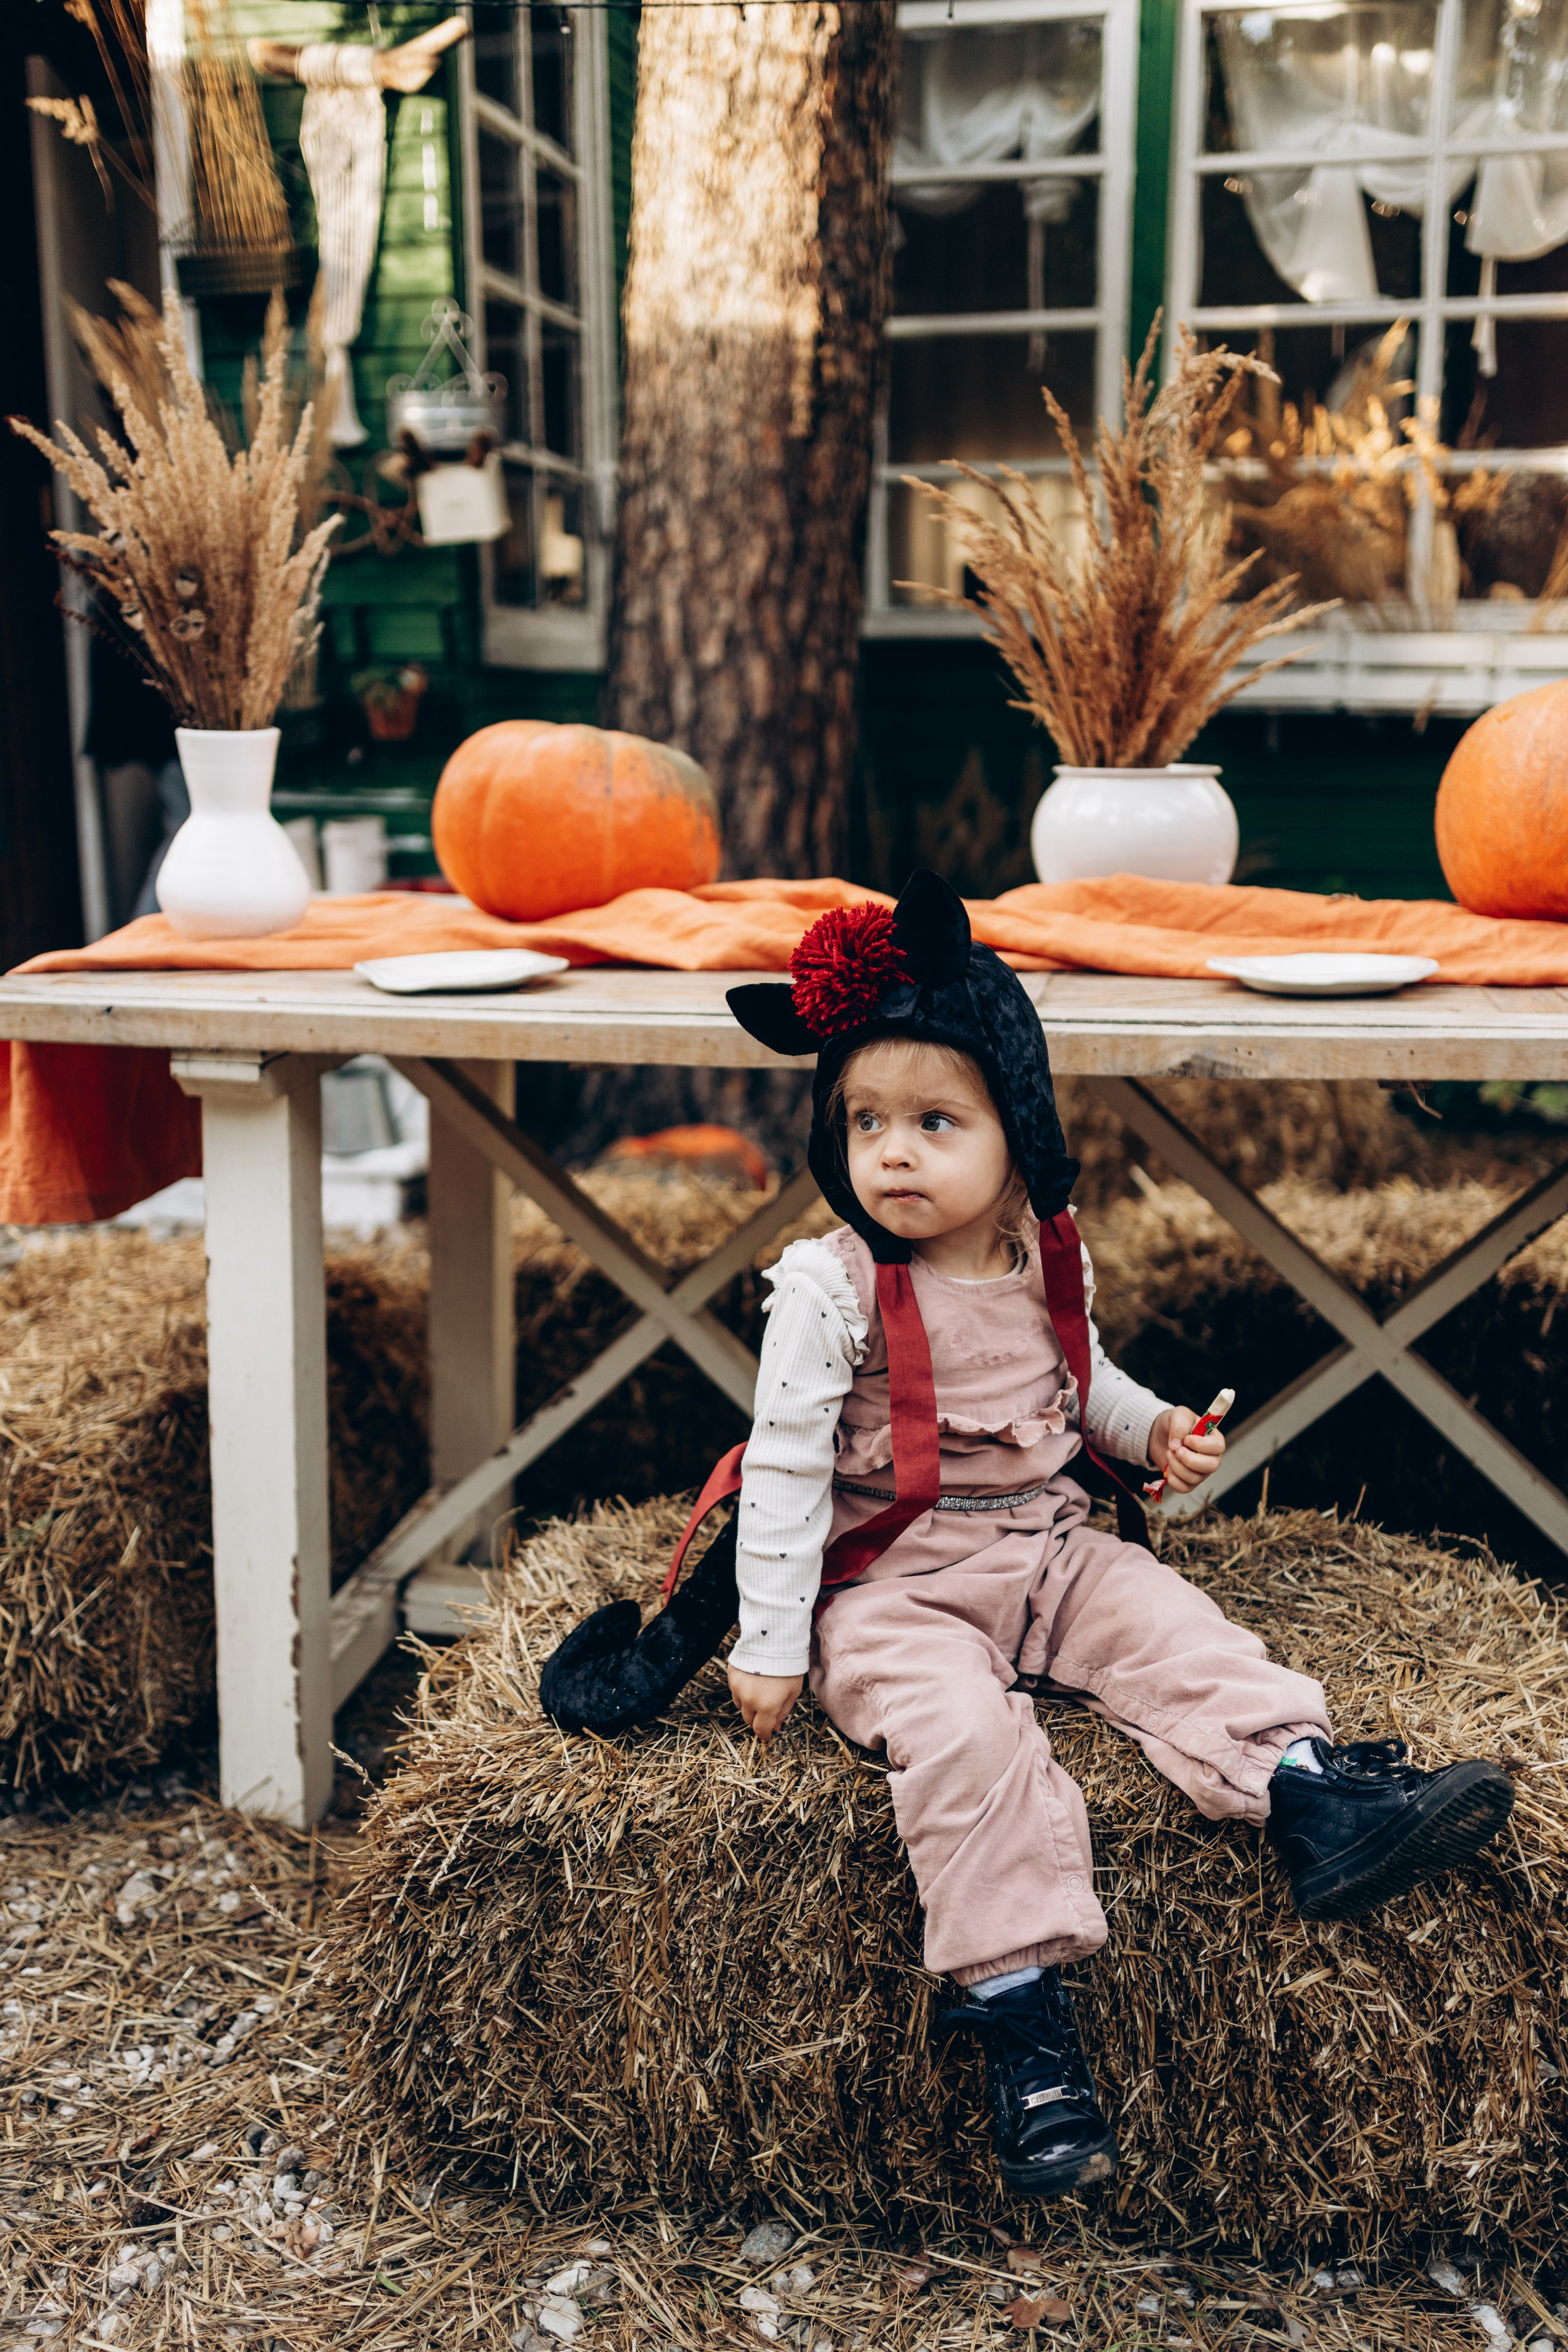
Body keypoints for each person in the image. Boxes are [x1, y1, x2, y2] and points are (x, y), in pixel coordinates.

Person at [719, 871, 1515, 2200]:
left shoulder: (1047, 1251)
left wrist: (1151, 1435)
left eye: (935, 1120)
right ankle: (1021, 2023)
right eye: (865, 1121)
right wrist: (767, 1642)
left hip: (1045, 1549)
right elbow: (786, 1465)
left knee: (1176, 1629)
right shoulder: (829, 1285)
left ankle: (1309, 1795)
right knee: (965, 1740)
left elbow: (1082, 1383)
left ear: (1018, 1131)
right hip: (895, 1587)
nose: (893, 1153)